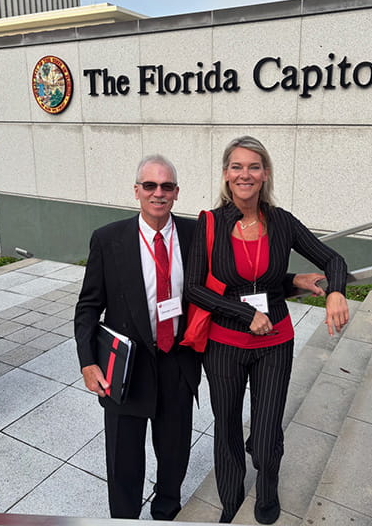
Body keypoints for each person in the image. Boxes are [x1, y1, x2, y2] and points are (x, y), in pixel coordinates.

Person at [74, 154, 321, 520]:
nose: (158, 193)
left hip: (179, 361)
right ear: (137, 191)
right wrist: (88, 362)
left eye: (167, 186)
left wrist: (292, 281)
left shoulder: (197, 233)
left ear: (176, 193)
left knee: (174, 455)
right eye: (150, 185)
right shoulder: (108, 239)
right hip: (127, 366)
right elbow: (88, 306)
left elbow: (236, 283)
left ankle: (166, 512)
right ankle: (124, 520)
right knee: (124, 460)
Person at [185, 136, 350, 525]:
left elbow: (333, 259)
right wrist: (244, 314)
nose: (245, 174)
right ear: (226, 174)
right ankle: (230, 498)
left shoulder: (282, 222)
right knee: (227, 426)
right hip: (224, 344)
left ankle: (267, 483)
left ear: (266, 174)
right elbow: (193, 288)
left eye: (253, 166)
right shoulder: (210, 222)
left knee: (266, 433)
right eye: (237, 166)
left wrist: (336, 292)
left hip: (275, 342)